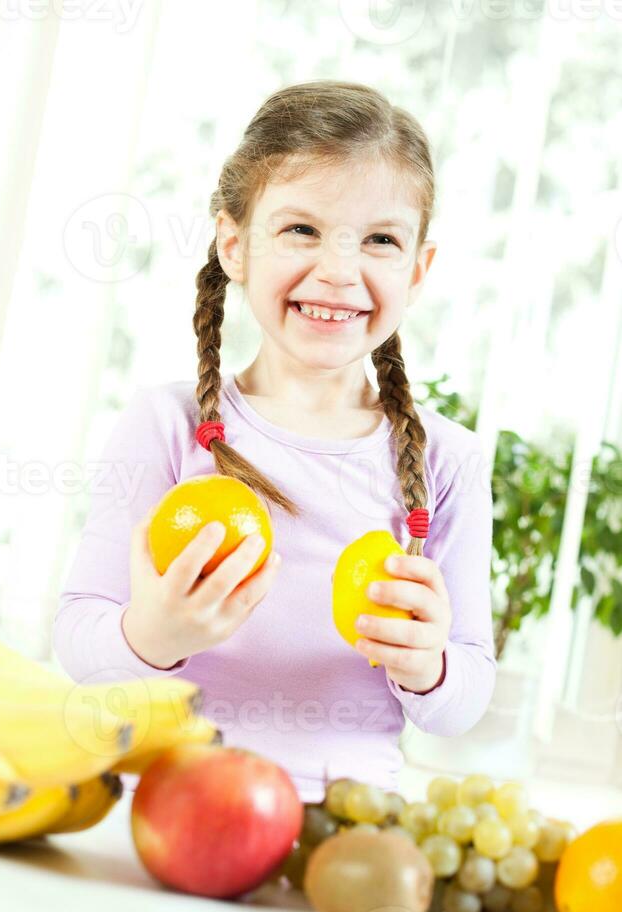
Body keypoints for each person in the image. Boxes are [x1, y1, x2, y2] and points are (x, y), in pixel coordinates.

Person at [52, 80, 496, 803]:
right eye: (302, 230)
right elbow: (79, 639)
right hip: (173, 803)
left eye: (380, 240)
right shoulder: (165, 426)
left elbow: (465, 696)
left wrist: (430, 667)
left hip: (348, 828)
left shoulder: (451, 461)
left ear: (417, 269)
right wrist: (154, 635)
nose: (338, 271)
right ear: (235, 244)